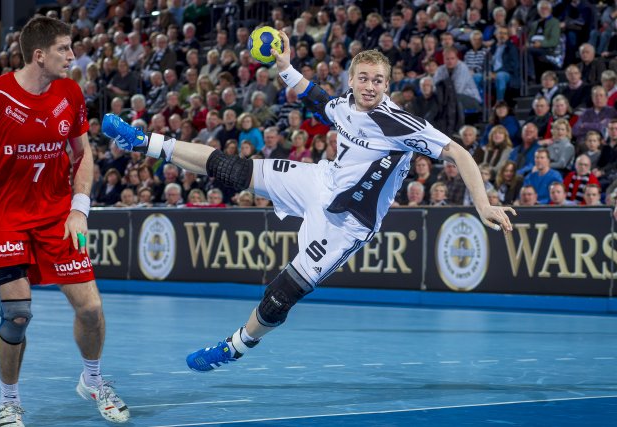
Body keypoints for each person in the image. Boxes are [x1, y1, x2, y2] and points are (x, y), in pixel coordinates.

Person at [102, 32, 515, 373]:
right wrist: (284, 66)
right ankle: (143, 141)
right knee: (233, 169)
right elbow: (315, 97)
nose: (370, 86)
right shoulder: (346, 105)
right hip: (320, 181)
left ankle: (235, 346)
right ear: (351, 80)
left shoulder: (397, 122)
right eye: (364, 78)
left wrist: (482, 205)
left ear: (387, 86)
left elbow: (459, 152)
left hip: (347, 222)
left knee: (280, 296)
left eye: (378, 80)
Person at [0, 17, 129, 427]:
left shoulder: (70, 92)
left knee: (91, 309)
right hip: (3, 218)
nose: (73, 55)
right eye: (64, 48)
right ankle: (9, 402)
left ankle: (93, 381)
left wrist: (79, 208)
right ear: (39, 55)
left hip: (56, 217)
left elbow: (82, 153)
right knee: (17, 314)